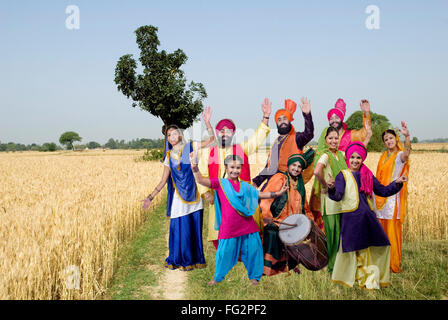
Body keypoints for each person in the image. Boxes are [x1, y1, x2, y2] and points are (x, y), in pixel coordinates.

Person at [191, 153, 287, 286]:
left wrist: (278, 193)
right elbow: (201, 180)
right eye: (232, 167)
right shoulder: (220, 183)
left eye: (238, 168)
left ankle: (254, 277)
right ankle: (218, 277)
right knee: (223, 254)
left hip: (247, 226)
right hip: (229, 227)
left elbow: (259, 194)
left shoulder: (245, 186)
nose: (235, 170)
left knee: (253, 251)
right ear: (225, 167)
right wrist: (194, 167)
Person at [141, 107, 215, 271]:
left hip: (194, 195)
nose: (172, 137)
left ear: (179, 134)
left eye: (174, 133)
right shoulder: (168, 157)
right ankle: (178, 259)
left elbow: (212, 140)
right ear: (167, 138)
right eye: (169, 135)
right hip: (178, 197)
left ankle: (194, 260)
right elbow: (163, 181)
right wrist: (150, 197)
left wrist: (207, 122)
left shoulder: (191, 146)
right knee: (178, 228)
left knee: (193, 228)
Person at [326, 142, 407, 289]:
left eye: (358, 158)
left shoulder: (368, 175)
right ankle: (351, 277)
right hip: (350, 220)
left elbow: (382, 191)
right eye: (352, 157)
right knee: (350, 250)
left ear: (362, 159)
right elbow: (338, 196)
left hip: (367, 218)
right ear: (348, 159)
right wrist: (331, 189)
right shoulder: (342, 175)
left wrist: (397, 183)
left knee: (379, 245)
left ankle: (369, 278)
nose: (355, 161)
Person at [197, 99, 272, 248]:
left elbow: (257, 139)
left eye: (228, 130)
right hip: (219, 198)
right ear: (217, 133)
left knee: (243, 226)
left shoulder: (241, 148)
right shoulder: (208, 153)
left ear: (233, 133)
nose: (225, 133)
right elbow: (202, 173)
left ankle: (243, 251)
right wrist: (206, 193)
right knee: (221, 231)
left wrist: (266, 117)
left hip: (239, 197)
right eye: (221, 131)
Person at [313, 123, 372, 274]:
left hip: (342, 200)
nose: (333, 141)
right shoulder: (325, 155)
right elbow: (317, 171)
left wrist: (368, 137)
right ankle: (332, 268)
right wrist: (325, 185)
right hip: (330, 203)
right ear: (325, 140)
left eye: (336, 138)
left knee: (342, 235)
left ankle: (342, 265)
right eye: (330, 138)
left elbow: (356, 154)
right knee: (332, 236)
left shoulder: (340, 155)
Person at [309, 99, 372, 230]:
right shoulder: (325, 136)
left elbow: (362, 139)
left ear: (342, 118)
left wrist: (366, 113)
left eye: (337, 117)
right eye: (331, 118)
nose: (334, 120)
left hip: (345, 180)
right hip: (326, 180)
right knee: (324, 214)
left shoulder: (351, 134)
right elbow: (319, 156)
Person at [259, 149, 315, 276]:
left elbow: (304, 206)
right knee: (272, 233)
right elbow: (266, 199)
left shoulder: (300, 184)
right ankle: (267, 268)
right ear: (289, 166)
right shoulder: (280, 178)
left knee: (301, 234)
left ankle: (289, 266)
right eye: (294, 165)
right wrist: (266, 218)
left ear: (301, 170)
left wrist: (310, 221)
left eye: (299, 166)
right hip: (276, 220)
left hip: (292, 222)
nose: (296, 168)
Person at [253, 97, 314, 190]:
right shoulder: (275, 143)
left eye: (285, 118)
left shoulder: (297, 138)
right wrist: (256, 182)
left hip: (290, 186)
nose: (282, 122)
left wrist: (307, 115)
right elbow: (269, 168)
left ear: (289, 121)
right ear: (277, 124)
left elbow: (309, 134)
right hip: (272, 185)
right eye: (279, 120)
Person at [375, 122, 411, 273]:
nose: (389, 141)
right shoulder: (383, 156)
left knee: (391, 231)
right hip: (380, 197)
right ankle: (382, 263)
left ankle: (393, 263)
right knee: (381, 231)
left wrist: (407, 136)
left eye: (391, 138)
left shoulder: (398, 156)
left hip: (392, 200)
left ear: (396, 139)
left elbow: (407, 153)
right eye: (386, 140)